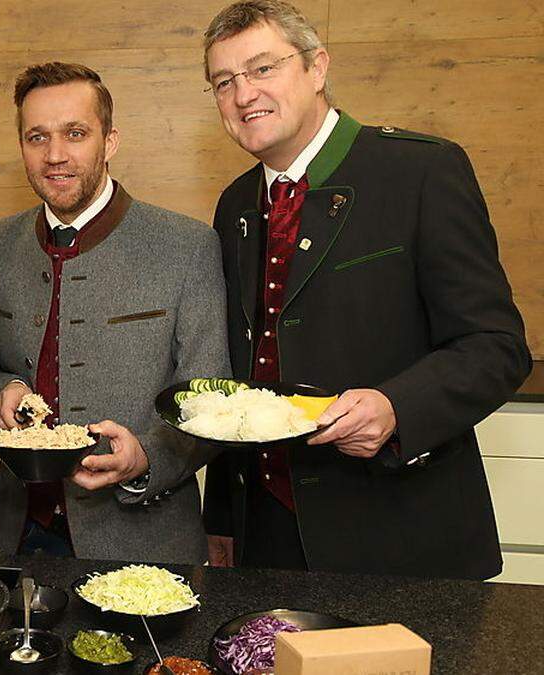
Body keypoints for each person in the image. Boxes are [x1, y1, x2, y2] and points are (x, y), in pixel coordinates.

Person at [200, 1, 531, 579]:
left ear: (317, 67)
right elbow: (242, 375)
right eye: (223, 81)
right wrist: (222, 519)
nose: (243, 94)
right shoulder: (235, 204)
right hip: (266, 535)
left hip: (397, 531)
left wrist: (396, 407)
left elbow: (496, 346)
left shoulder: (422, 172)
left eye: (261, 69)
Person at [0, 62, 229, 562]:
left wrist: (147, 457)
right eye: (37, 137)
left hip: (146, 542)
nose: (55, 155)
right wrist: (1, 386)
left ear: (110, 141)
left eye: (75, 133)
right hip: (16, 534)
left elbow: (212, 399)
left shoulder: (188, 246)